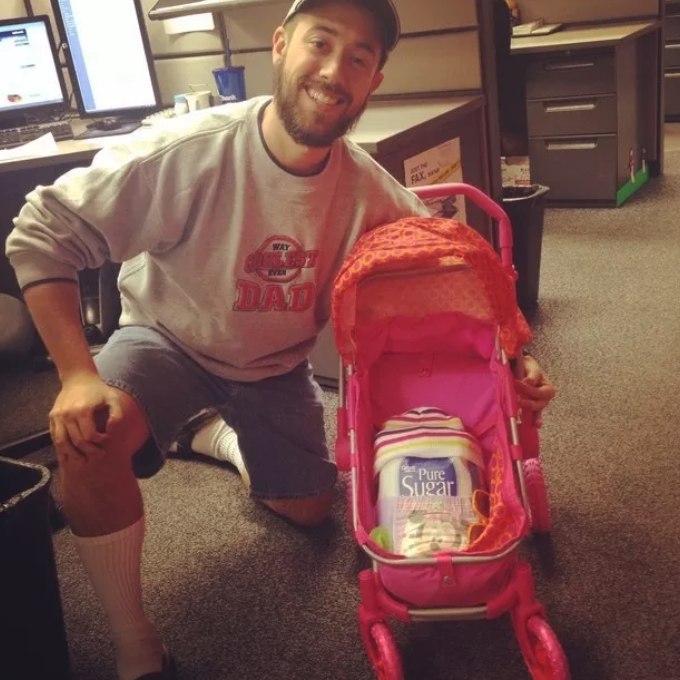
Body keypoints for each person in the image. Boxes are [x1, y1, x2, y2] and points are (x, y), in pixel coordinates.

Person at [5, 1, 555, 678]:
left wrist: (515, 361)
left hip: (273, 367)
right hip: (167, 339)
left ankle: (214, 438)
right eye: (319, 43)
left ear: (375, 79)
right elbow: (40, 232)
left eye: (359, 57)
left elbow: (454, 269)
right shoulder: (189, 150)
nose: (334, 70)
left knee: (307, 509)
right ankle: (134, 643)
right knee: (89, 438)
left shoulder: (370, 193)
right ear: (280, 45)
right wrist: (76, 374)